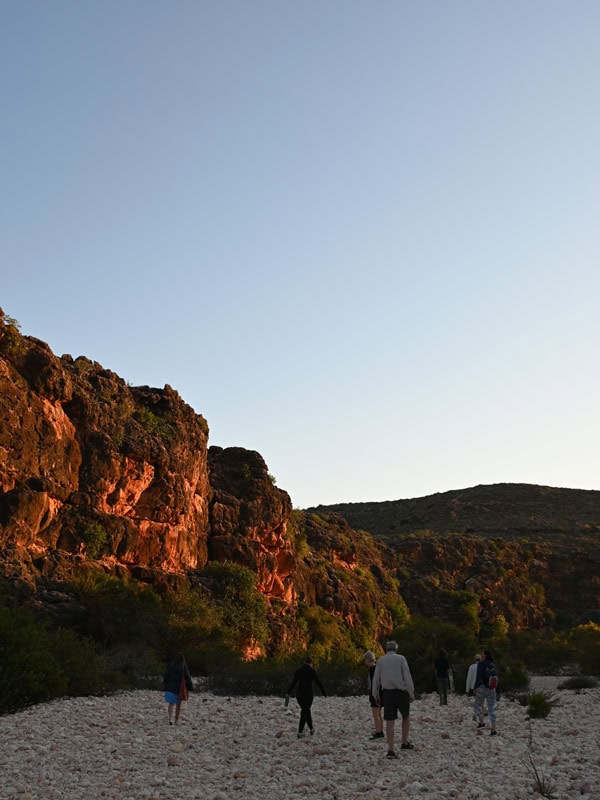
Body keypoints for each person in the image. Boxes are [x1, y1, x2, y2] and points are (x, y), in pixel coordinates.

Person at [371, 640, 415, 759]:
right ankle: (404, 742)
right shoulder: (401, 659)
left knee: (390, 721)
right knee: (405, 717)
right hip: (401, 692)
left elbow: (376, 680)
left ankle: (390, 749)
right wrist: (411, 693)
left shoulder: (380, 660)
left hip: (387, 693)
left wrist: (376, 695)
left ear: (386, 649)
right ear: (396, 649)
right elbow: (407, 676)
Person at [286, 656, 327, 738]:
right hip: (308, 695)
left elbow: (293, 683)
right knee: (304, 712)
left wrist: (288, 692)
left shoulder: (298, 671)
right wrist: (324, 692)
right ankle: (300, 732)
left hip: (299, 695)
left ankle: (311, 729)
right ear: (311, 663)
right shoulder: (312, 671)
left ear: (304, 662)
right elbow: (318, 682)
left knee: (306, 711)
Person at [163, 653, 193, 725]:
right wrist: (190, 687)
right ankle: (176, 720)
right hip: (179, 688)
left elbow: (166, 676)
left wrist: (165, 685)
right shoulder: (183, 665)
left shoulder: (170, 665)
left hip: (170, 687)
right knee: (178, 705)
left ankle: (170, 719)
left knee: (171, 704)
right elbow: (187, 676)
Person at [474, 649, 497, 735]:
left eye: (482, 653)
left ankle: (481, 722)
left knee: (477, 705)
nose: (481, 654)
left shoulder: (481, 664)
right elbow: (495, 677)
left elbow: (478, 677)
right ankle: (493, 729)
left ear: (485, 655)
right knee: (491, 708)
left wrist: (475, 688)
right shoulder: (492, 664)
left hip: (482, 688)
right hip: (492, 688)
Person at [363, 651, 384, 739]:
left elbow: (373, 683)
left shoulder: (372, 669)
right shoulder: (378, 668)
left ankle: (378, 732)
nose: (364, 661)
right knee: (379, 713)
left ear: (368, 659)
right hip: (381, 693)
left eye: (365, 659)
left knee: (375, 714)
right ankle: (381, 731)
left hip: (375, 693)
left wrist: (373, 694)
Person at [465, 653, 483, 719]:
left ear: (475, 659)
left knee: (477, 700)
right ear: (481, 659)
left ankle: (476, 713)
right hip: (482, 686)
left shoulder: (471, 667)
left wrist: (467, 689)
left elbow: (469, 678)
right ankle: (480, 714)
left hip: (474, 686)